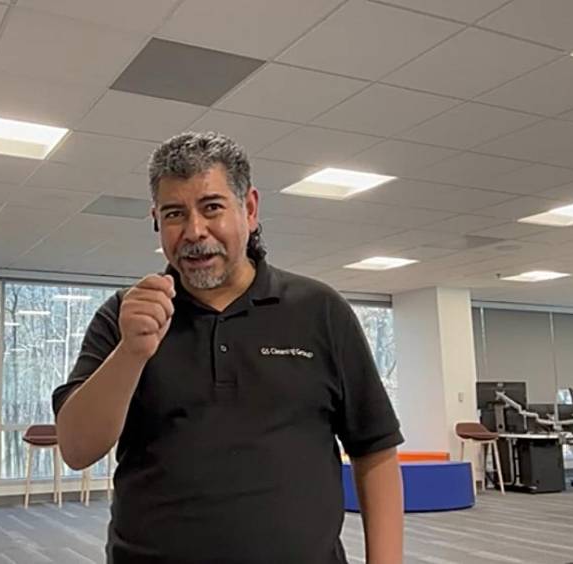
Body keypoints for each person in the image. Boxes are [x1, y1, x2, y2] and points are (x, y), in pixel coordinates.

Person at [53, 132, 404, 564]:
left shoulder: (320, 310)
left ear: (250, 209)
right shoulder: (125, 315)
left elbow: (375, 450)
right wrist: (130, 352)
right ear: (156, 221)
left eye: (212, 207)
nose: (194, 231)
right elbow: (77, 448)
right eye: (174, 213)